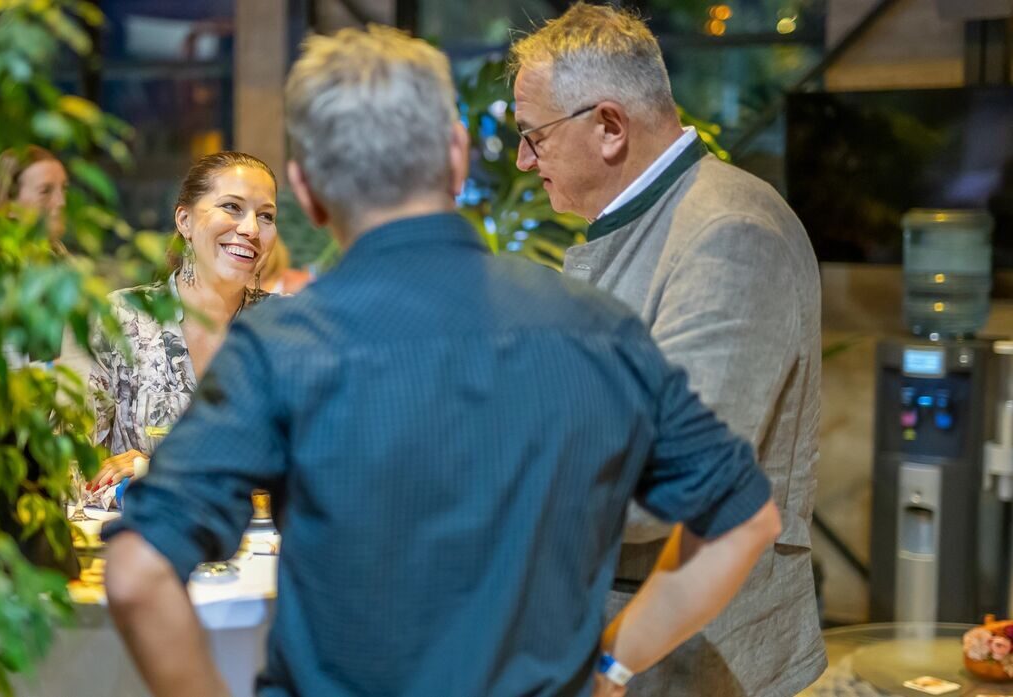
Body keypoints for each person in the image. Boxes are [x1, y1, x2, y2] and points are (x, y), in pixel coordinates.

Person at [103, 25, 782, 697]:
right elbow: (745, 518)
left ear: (306, 190)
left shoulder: (281, 347)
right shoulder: (595, 327)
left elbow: (137, 572)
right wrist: (612, 666)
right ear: (457, 157)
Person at [510, 5, 825, 695]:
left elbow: (665, 483)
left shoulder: (729, 232)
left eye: (534, 136)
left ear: (609, 126)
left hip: (692, 661)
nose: (523, 159)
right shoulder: (649, 221)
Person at [88, 152, 277, 490]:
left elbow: (318, 466)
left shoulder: (287, 326)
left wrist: (157, 469)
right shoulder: (123, 318)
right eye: (232, 207)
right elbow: (74, 466)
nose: (251, 229)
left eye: (266, 216)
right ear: (184, 220)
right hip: (137, 524)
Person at [0, 145, 69, 254]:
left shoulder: (58, 255)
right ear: (9, 205)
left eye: (64, 189)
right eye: (45, 191)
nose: (61, 202)